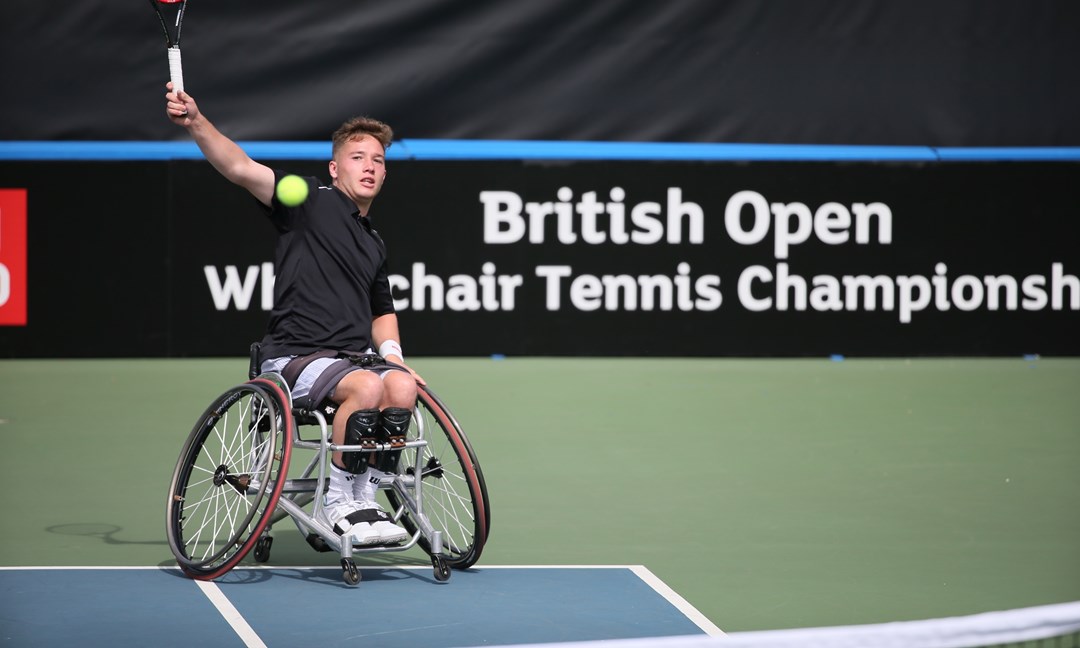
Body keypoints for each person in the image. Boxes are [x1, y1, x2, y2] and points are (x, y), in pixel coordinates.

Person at [165, 82, 423, 546]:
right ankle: (339, 500)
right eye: (358, 156)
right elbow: (241, 168)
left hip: (349, 361)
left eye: (378, 160)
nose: (370, 166)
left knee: (400, 384)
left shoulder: (374, 241)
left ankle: (364, 495)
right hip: (292, 361)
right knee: (366, 385)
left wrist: (394, 356)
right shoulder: (307, 198)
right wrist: (196, 122)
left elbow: (381, 311)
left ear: (385, 175)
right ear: (335, 167)